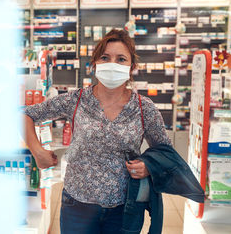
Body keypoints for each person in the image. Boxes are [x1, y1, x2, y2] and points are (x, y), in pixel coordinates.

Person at [23, 29, 171, 234]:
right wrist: (37, 151)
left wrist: (149, 166)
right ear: (94, 64)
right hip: (77, 206)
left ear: (131, 67)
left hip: (123, 209)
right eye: (105, 58)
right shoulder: (76, 100)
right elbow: (26, 115)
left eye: (121, 59)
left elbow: (166, 153)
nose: (112, 64)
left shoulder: (144, 108)